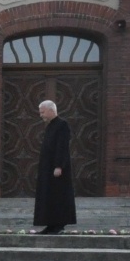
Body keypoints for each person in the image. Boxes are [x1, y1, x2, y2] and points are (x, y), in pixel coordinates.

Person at [33, 100, 76, 234]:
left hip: (57, 169)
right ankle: (50, 224)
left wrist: (59, 166)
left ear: (51, 110)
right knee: (48, 196)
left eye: (43, 112)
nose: (41, 115)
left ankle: (59, 224)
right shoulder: (50, 126)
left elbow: (62, 147)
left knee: (58, 196)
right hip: (47, 169)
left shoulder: (62, 125)